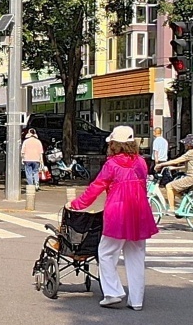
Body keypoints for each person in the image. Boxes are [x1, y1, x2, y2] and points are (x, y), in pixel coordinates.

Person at [68, 125, 159, 310]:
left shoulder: (112, 164)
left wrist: (77, 204)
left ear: (114, 144)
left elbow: (96, 187)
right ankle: (137, 300)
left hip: (118, 212)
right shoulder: (141, 162)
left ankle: (113, 292)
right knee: (136, 256)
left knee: (107, 252)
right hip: (139, 211)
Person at [156, 135, 193, 208]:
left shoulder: (191, 152)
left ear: (189, 144)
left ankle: (171, 209)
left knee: (169, 186)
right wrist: (174, 168)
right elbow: (189, 167)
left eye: (185, 143)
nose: (184, 145)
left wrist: (161, 164)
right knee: (175, 190)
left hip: (192, 178)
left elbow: (177, 160)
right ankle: (188, 204)